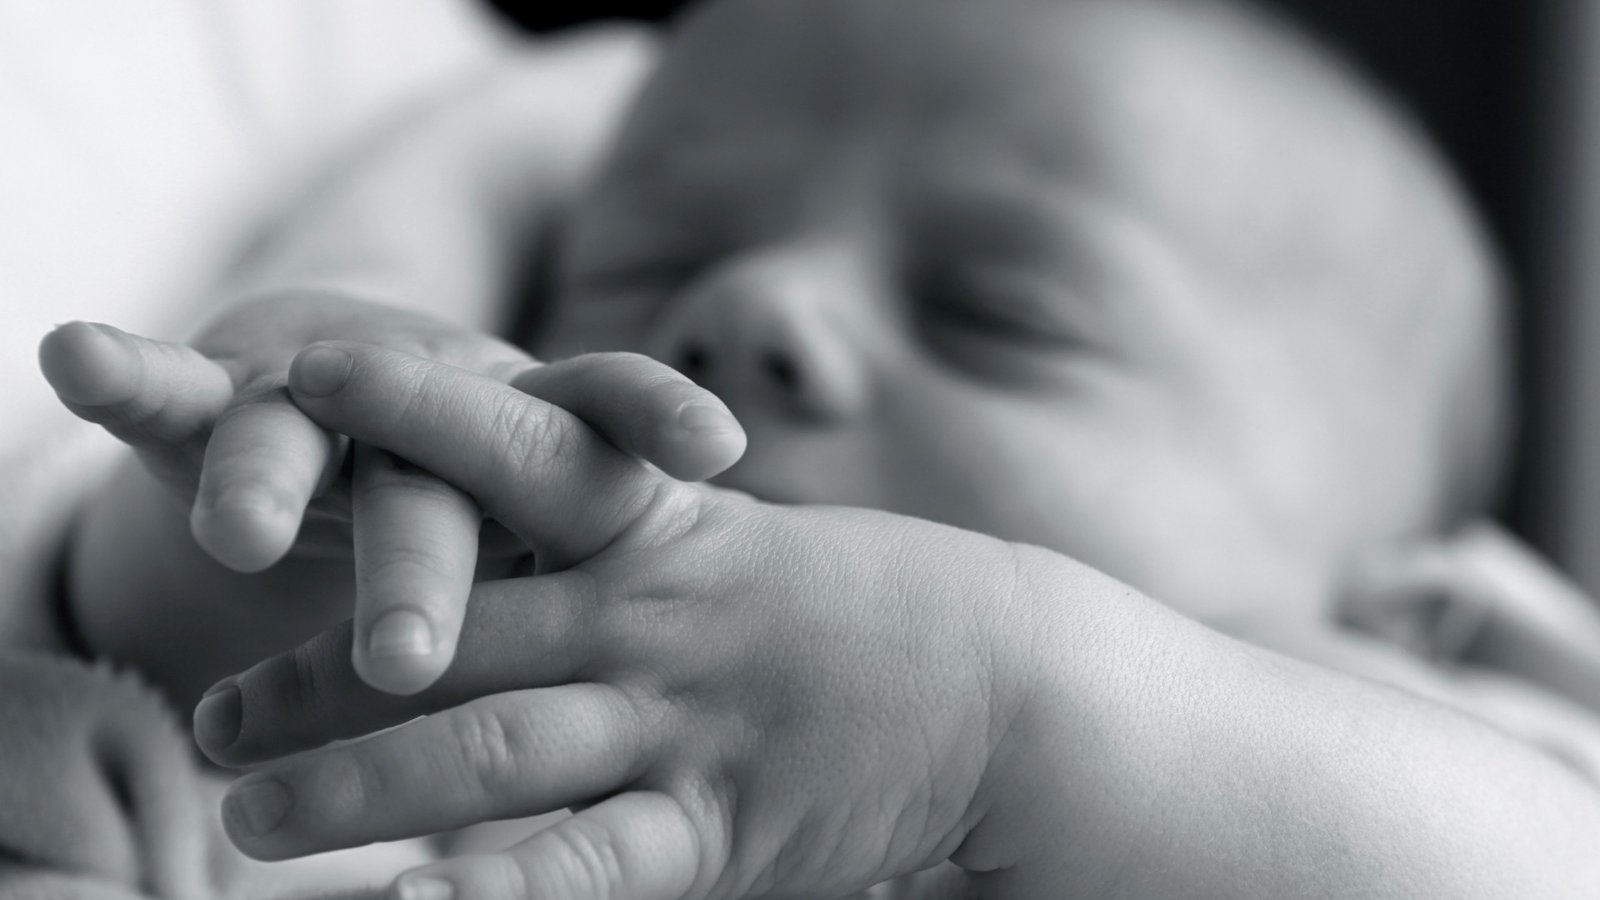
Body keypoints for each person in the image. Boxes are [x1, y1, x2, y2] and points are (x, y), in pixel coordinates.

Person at [30, 0, 1600, 896]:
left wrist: (1008, 712)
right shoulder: (536, 732)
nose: (747, 300)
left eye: (1000, 311)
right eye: (648, 264)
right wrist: (268, 555)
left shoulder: (1406, 711)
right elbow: (160, 751)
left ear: (1410, 601)